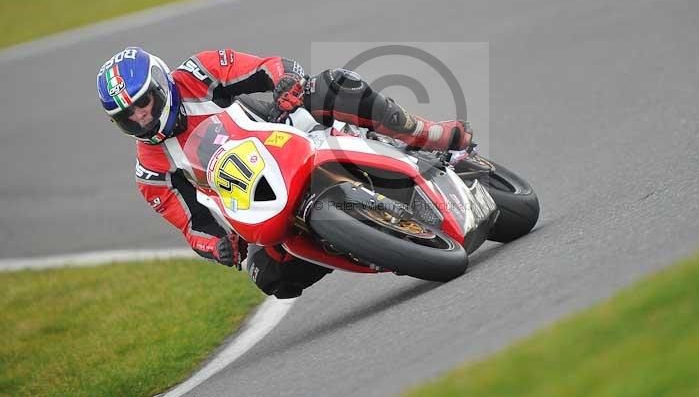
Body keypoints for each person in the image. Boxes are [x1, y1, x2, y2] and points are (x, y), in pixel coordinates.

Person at [97, 47, 472, 298]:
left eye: (143, 103)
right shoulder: (151, 170)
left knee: (334, 85)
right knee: (268, 276)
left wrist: (285, 83)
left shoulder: (197, 73)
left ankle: (429, 136)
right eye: (127, 116)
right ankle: (371, 246)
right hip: (260, 198)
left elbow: (266, 66)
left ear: (160, 85)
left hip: (287, 129)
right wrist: (219, 246)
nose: (140, 117)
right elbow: (193, 226)